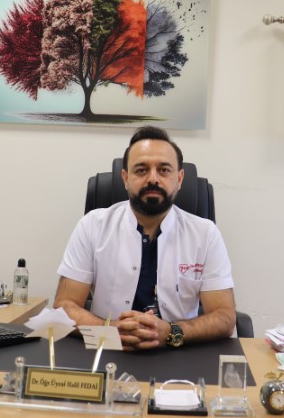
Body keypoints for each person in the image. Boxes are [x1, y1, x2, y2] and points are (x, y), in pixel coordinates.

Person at [54, 126, 236, 351]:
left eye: (164, 170)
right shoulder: (92, 226)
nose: (153, 179)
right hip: (107, 349)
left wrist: (170, 332)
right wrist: (110, 331)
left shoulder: (205, 234)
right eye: (141, 170)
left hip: (177, 351)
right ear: (125, 178)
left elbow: (224, 317)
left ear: (179, 179)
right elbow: (64, 306)